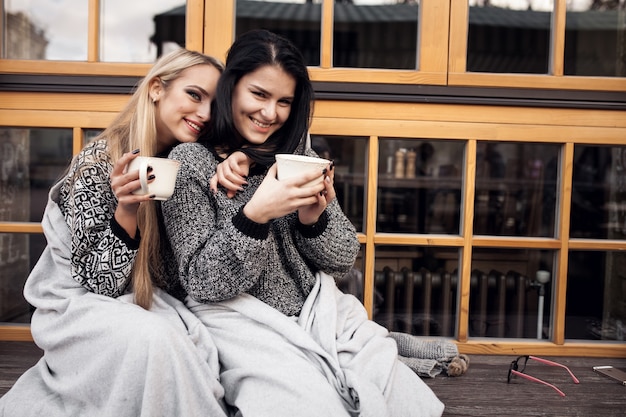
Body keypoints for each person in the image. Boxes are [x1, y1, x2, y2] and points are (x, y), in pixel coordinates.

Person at [162, 29, 445, 417]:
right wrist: (255, 216)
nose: (270, 113)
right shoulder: (190, 163)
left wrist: (315, 218)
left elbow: (343, 259)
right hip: (241, 323)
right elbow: (203, 282)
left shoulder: (298, 156)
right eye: (259, 94)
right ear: (231, 88)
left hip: (316, 312)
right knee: (308, 405)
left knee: (396, 396)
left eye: (284, 102)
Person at [0, 48, 241, 417]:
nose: (206, 114)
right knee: (156, 341)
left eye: (215, 105)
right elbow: (100, 284)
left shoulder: (193, 163)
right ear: (157, 88)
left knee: (207, 343)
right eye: (194, 95)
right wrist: (127, 208)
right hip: (80, 306)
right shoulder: (98, 161)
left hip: (155, 300)